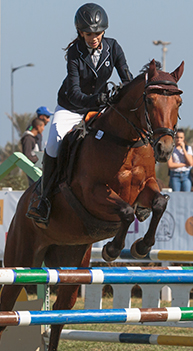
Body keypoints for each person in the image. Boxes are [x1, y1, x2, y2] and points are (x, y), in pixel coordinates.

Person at [26, 2, 133, 225]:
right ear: (80, 32)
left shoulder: (114, 47)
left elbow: (127, 79)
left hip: (100, 107)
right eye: (89, 33)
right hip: (71, 107)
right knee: (54, 142)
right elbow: (74, 92)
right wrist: (96, 100)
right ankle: (44, 198)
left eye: (98, 33)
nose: (94, 37)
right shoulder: (75, 52)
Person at [20, 118, 46, 186]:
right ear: (38, 126)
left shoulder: (33, 138)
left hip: (36, 167)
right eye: (42, 126)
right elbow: (27, 155)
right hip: (32, 168)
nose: (43, 129)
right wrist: (39, 158)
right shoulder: (28, 139)